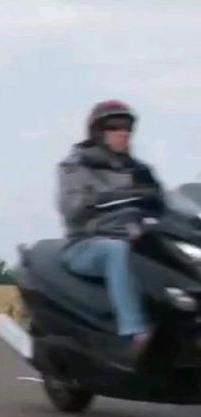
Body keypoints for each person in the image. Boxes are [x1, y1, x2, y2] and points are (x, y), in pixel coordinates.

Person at [57, 100, 165, 358]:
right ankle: (135, 332)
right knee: (116, 250)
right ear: (99, 132)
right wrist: (98, 199)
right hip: (86, 244)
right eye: (115, 127)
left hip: (134, 240)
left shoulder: (139, 170)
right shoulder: (78, 165)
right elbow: (71, 206)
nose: (123, 132)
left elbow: (163, 202)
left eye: (127, 126)